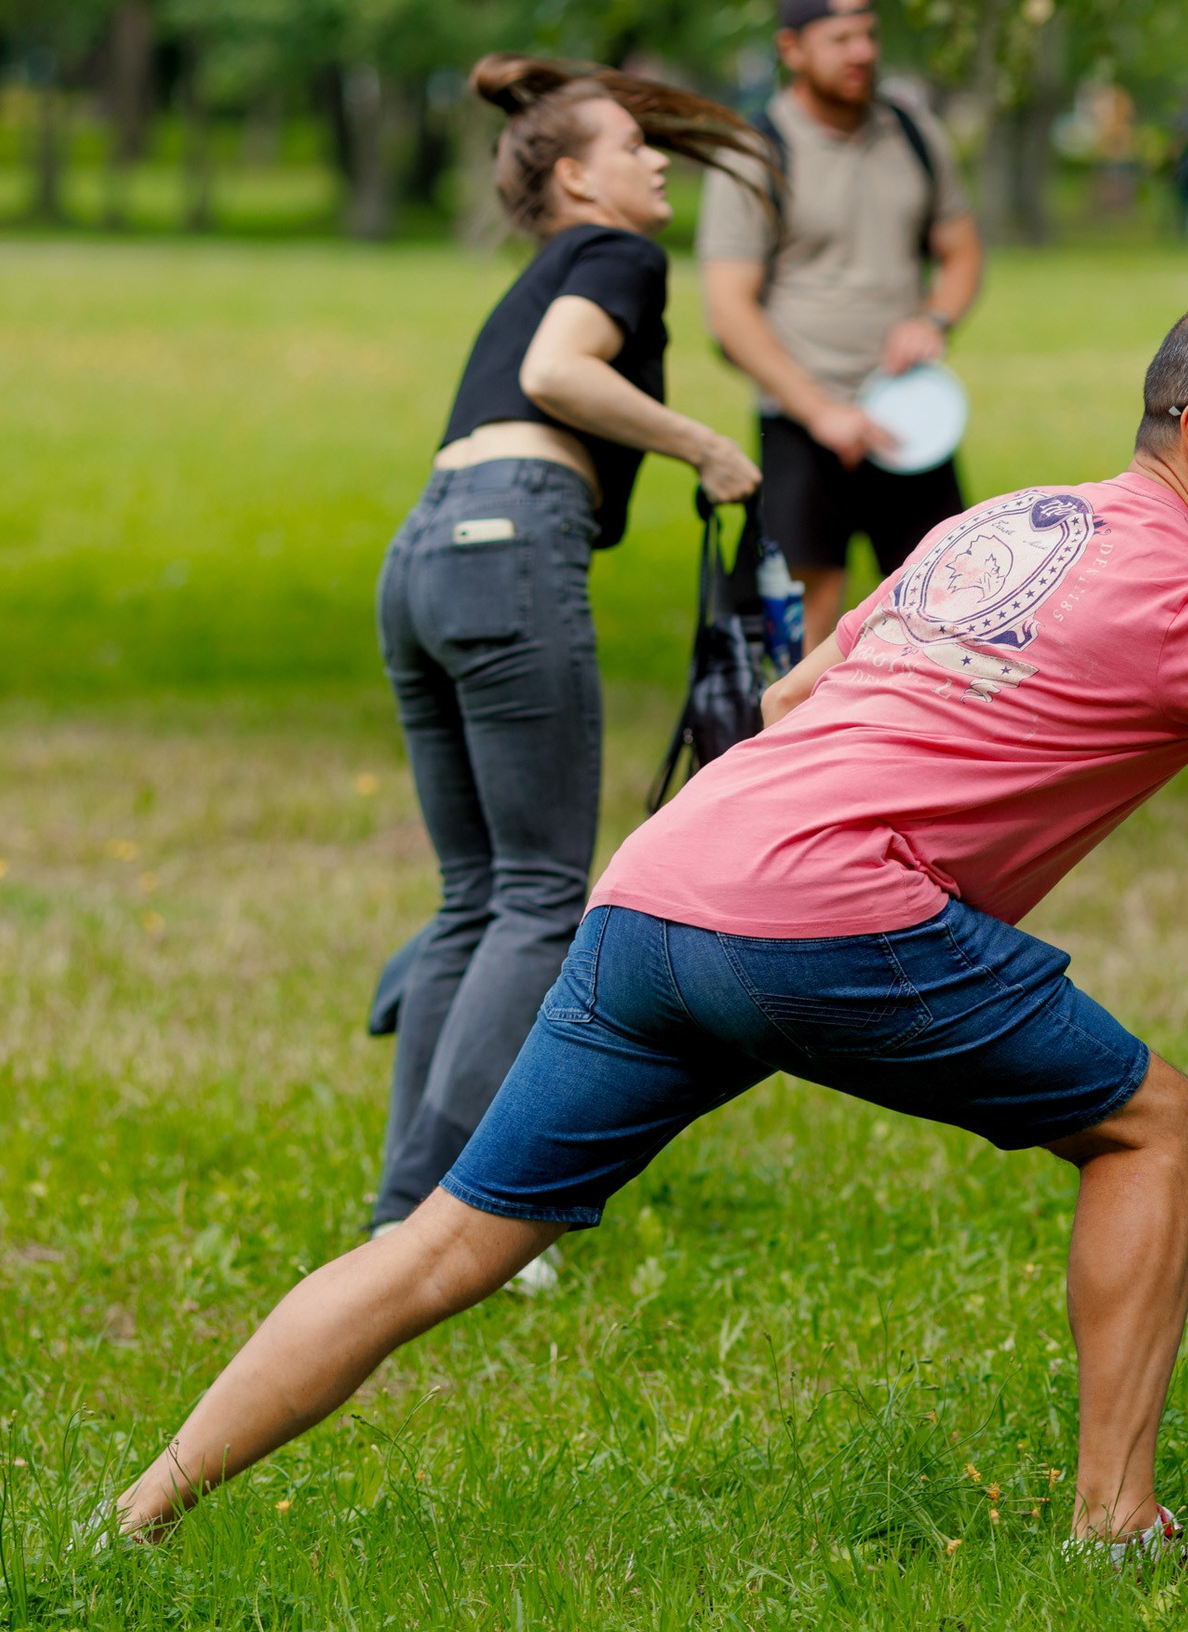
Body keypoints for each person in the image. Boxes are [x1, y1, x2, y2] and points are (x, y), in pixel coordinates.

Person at [113, 295, 1188, 1552]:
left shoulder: (1003, 522)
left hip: (659, 891)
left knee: (440, 1247)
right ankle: (1115, 1522)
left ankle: (138, 1512)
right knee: (1151, 1116)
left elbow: (797, 695)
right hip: (816, 914)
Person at [365, 57, 765, 1263]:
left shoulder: (545, 267)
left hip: (422, 554)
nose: (654, 161)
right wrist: (703, 445)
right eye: (629, 145)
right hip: (510, 543)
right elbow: (557, 376)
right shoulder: (616, 260)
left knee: (476, 895)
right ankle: (444, 1223)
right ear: (576, 177)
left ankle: (399, 1214)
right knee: (539, 897)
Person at [698, 0, 985, 643]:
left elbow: (962, 251)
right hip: (804, 422)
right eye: (840, 38)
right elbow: (728, 311)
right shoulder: (756, 151)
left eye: (869, 34)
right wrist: (822, 413)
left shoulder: (912, 131)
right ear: (791, 49)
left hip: (908, 416)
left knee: (943, 610)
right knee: (803, 627)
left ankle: (923, 743)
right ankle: (790, 744)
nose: (862, 52)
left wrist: (934, 317)